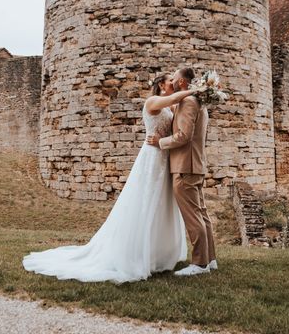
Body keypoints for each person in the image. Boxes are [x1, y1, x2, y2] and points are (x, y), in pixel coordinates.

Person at [22, 73, 195, 283]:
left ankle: (157, 254)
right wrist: (198, 89)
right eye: (170, 81)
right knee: (145, 202)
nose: (174, 84)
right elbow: (174, 99)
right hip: (151, 158)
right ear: (161, 84)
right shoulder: (153, 101)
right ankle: (136, 254)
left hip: (163, 155)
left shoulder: (169, 108)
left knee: (161, 203)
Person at [146, 67, 217, 276]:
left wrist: (161, 142)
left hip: (185, 166)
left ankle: (199, 263)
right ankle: (210, 259)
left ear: (183, 83)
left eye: (175, 78)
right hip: (195, 165)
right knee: (202, 214)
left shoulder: (188, 102)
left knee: (193, 216)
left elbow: (184, 136)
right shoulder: (198, 102)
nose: (173, 81)